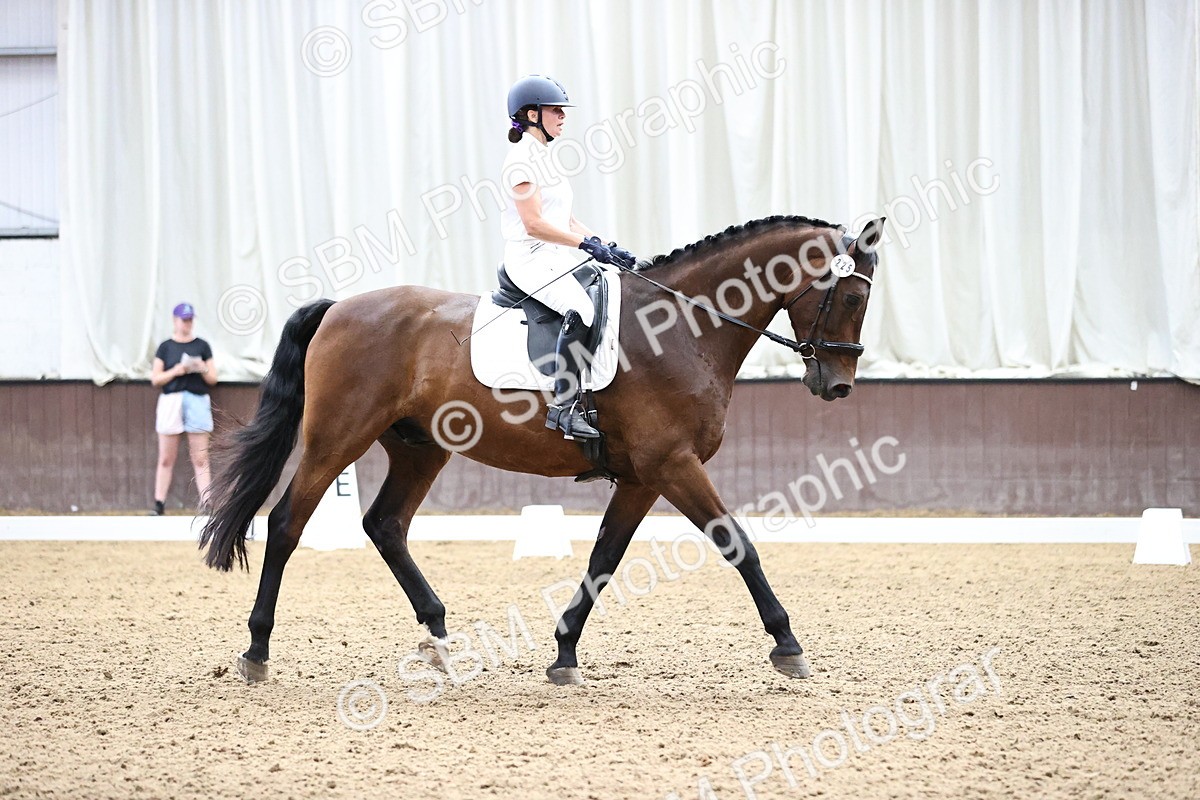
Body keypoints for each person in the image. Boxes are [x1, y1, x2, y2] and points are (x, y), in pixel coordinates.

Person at [501, 74, 638, 439]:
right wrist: (583, 246)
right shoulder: (520, 162)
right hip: (529, 257)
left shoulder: (546, 158)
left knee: (613, 291)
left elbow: (567, 220)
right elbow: (533, 224)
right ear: (531, 114)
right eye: (555, 110)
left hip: (555, 254)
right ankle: (564, 407)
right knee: (583, 310)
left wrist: (604, 244)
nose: (563, 116)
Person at [149, 302, 217, 515]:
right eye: (183, 319)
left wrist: (201, 367)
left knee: (200, 457)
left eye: (190, 320)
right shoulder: (166, 347)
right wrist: (177, 371)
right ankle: (159, 503)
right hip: (172, 400)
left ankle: (207, 503)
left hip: (197, 400)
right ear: (175, 320)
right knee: (166, 457)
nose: (187, 324)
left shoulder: (202, 345)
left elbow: (213, 378)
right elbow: (156, 379)